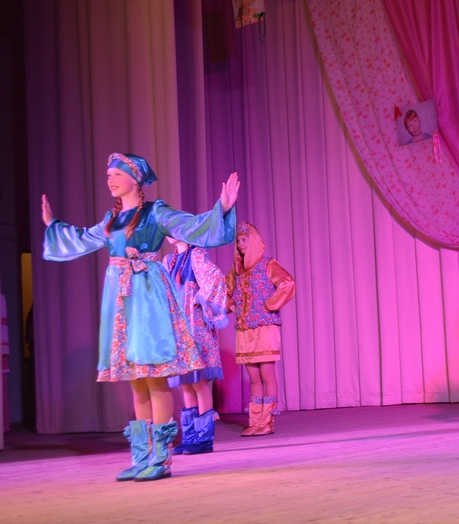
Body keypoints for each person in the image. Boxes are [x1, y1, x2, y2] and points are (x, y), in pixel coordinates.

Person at [42, 153, 239, 481]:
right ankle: (142, 456)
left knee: (154, 377)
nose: (110, 179)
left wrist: (223, 208)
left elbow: (190, 226)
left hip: (148, 297)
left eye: (117, 173)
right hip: (123, 301)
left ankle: (161, 457)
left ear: (135, 179)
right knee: (136, 381)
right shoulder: (111, 219)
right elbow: (82, 238)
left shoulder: (154, 212)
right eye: (108, 174)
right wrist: (53, 226)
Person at [227, 222, 295, 436]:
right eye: (238, 241)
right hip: (244, 330)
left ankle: (267, 422)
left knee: (267, 374)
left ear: (254, 241)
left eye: (244, 240)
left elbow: (287, 282)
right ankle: (255, 422)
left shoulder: (268, 264)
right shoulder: (237, 270)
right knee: (253, 377)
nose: (240, 244)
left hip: (265, 327)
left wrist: (270, 304)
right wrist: (231, 306)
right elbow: (223, 292)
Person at [164, 237, 229, 455]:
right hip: (178, 328)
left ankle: (204, 438)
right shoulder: (169, 260)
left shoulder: (196, 255)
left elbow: (216, 280)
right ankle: (190, 437)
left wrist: (197, 298)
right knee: (185, 383)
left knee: (199, 382)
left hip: (195, 326)